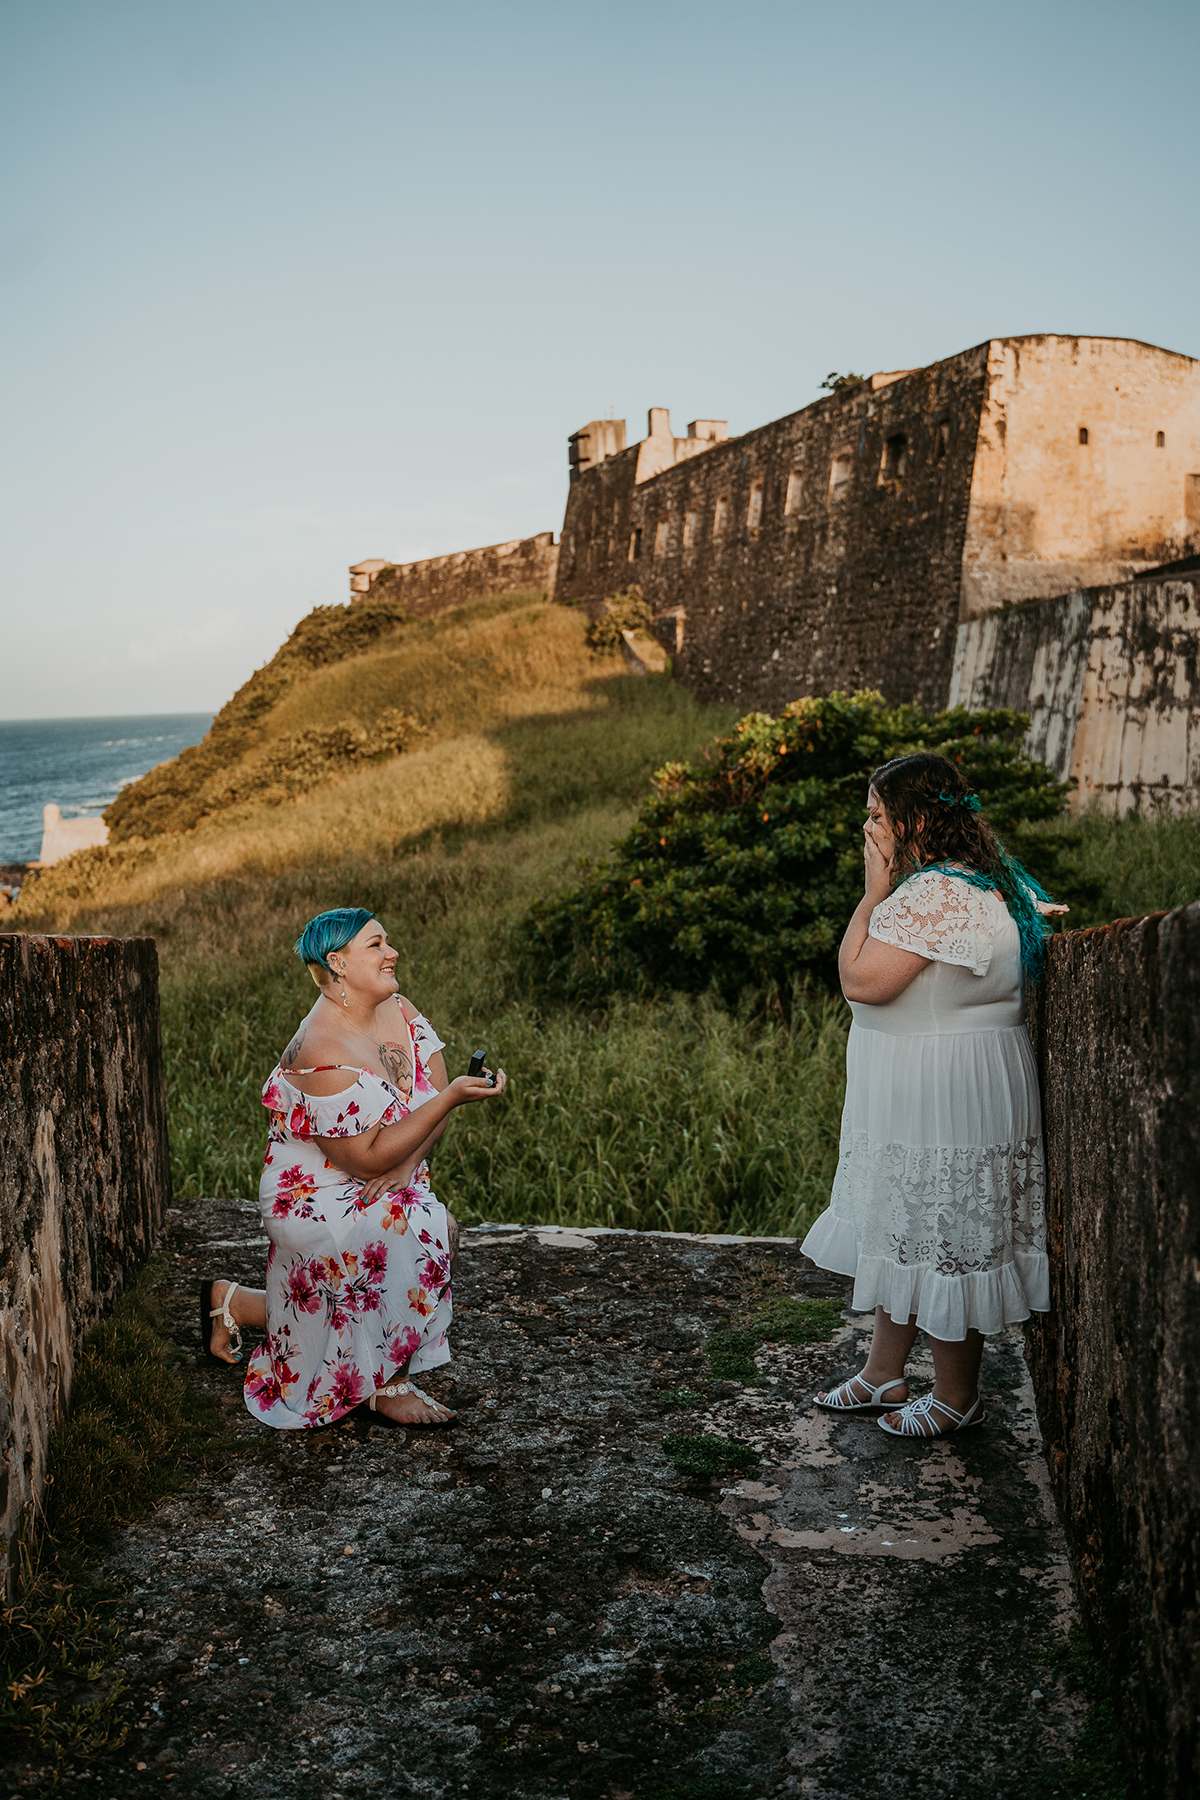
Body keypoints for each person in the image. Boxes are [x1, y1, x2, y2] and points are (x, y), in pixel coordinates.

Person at [801, 753, 1066, 1438]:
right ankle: (884, 1372)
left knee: (944, 1231)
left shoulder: (931, 894)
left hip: (943, 1090)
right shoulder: (986, 882)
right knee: (910, 1222)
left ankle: (955, 1395)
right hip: (945, 1083)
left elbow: (862, 981)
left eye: (878, 815)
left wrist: (871, 892)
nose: (868, 828)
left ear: (915, 821)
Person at [201, 907, 505, 1429]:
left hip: (390, 1166)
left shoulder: (401, 1009)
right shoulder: (317, 1050)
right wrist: (448, 1102)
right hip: (313, 1192)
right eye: (376, 945)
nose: (392, 953)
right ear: (338, 963)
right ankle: (389, 1385)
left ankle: (234, 1301)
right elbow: (362, 1160)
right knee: (428, 1228)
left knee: (405, 1226)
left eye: (387, 941)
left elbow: (428, 1105)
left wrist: (415, 1153)